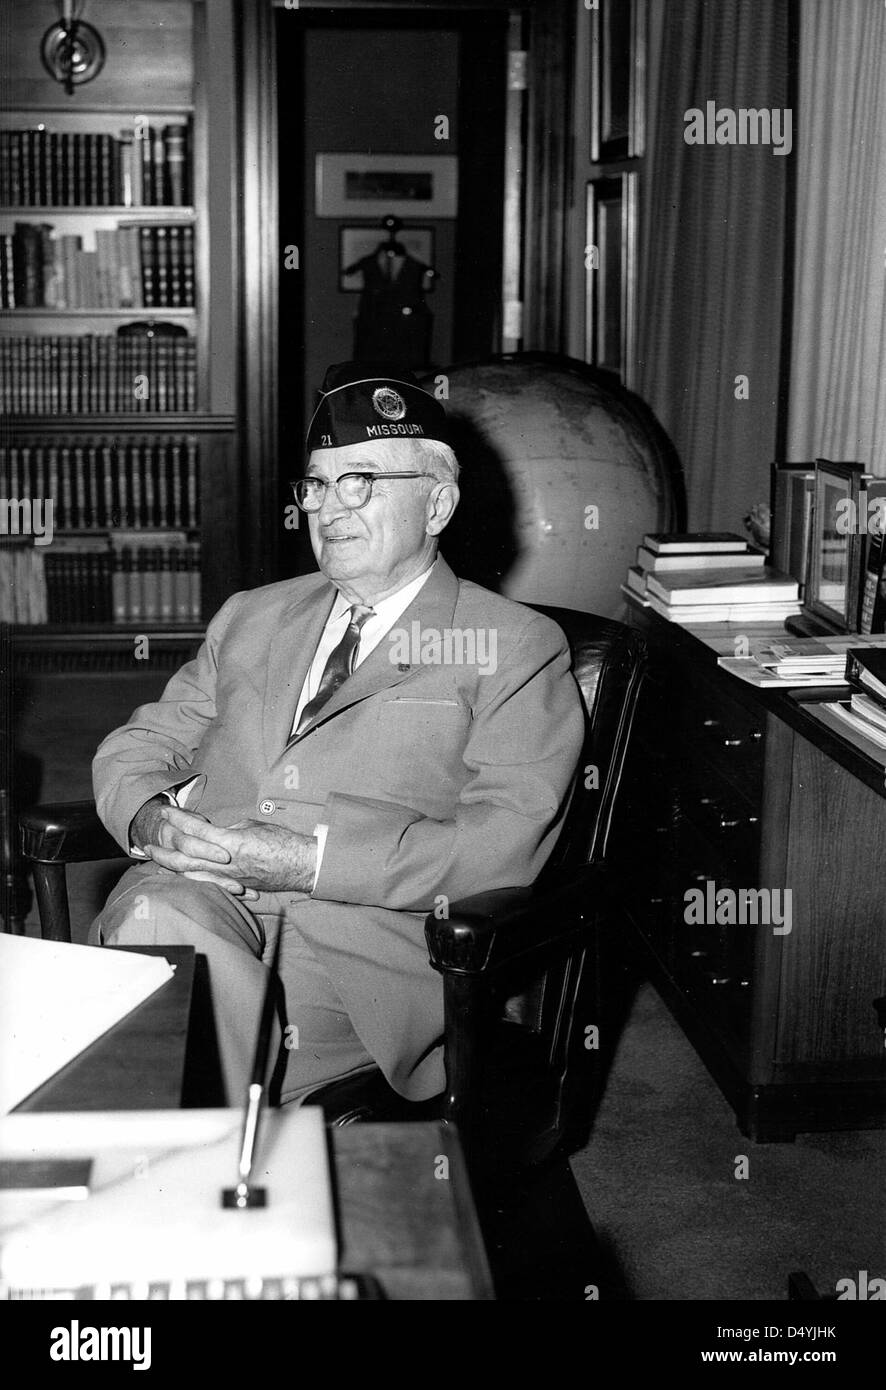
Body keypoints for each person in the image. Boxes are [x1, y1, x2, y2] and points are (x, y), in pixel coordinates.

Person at [90, 362, 585, 1106]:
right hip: (199, 896)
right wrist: (152, 816)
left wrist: (306, 862)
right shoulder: (254, 614)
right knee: (155, 925)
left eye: (361, 481)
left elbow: (502, 844)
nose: (329, 508)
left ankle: (203, 1167)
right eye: (316, 485)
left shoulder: (509, 644)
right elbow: (136, 747)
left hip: (353, 956)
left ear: (438, 504)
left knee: (149, 1058)